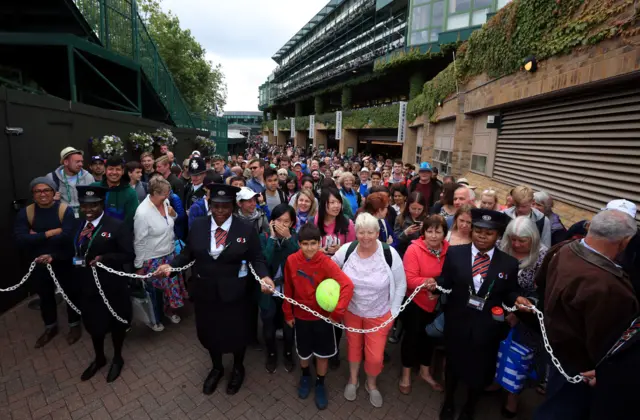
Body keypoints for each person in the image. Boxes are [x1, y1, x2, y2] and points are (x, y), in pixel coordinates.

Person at [154, 184, 275, 396]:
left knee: (237, 333)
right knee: (210, 332)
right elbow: (188, 255)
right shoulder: (199, 226)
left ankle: (238, 367)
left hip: (236, 294)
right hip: (206, 293)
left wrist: (264, 276)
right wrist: (171, 267)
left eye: (225, 206)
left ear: (233, 206)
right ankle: (217, 367)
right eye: (216, 205)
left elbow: (256, 257)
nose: (220, 210)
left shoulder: (245, 229)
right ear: (210, 205)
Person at [425, 208, 534, 420]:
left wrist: (517, 299)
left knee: (480, 369)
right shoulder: (456, 254)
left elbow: (509, 292)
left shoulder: (508, 263)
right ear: (472, 230)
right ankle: (448, 402)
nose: (482, 236)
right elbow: (446, 280)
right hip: (457, 321)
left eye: (489, 232)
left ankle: (470, 407)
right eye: (478, 230)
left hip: (487, 326)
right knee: (453, 364)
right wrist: (435, 285)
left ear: (498, 235)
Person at [534, 208, 638, 420]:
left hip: (557, 350)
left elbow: (541, 283)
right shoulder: (607, 286)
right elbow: (606, 341)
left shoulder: (562, 249)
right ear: (624, 242)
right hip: (581, 367)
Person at [332, 213, 407, 408]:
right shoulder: (346, 250)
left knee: (375, 356)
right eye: (361, 232)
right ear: (355, 233)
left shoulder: (389, 254)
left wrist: (393, 313)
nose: (366, 237)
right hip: (352, 312)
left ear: (377, 233)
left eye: (370, 232)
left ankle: (371, 384)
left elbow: (401, 284)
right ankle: (353, 379)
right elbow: (330, 271)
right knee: (353, 348)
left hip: (380, 315)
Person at [283, 223, 354, 410]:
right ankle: (306, 376)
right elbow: (288, 288)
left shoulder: (326, 262)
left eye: (313, 243)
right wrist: (288, 312)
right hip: (301, 318)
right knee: (304, 353)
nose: (309, 248)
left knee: (323, 355)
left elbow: (347, 285)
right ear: (299, 244)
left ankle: (320, 383)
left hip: (323, 319)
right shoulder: (291, 261)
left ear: (319, 242)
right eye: (305, 244)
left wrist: (337, 312)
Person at [72, 185, 134, 383]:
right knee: (93, 323)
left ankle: (117, 357)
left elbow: (128, 254)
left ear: (102, 204)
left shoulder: (116, 225)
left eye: (94, 205)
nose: (88, 209)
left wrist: (105, 258)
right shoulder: (78, 225)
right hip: (86, 285)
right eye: (84, 205)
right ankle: (99, 358)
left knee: (115, 323)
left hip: (110, 285)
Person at [14, 176, 79, 347]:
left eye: (46, 190)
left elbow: (67, 237)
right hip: (39, 263)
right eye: (38, 191)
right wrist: (51, 233)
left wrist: (36, 238)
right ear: (33, 194)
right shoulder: (26, 213)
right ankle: (50, 327)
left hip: (62, 260)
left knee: (71, 294)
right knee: (45, 297)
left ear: (53, 192)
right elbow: (21, 239)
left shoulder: (65, 211)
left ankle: (74, 325)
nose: (42, 194)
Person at [499, 216, 548, 418]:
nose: (516, 244)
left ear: (533, 239)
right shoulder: (502, 248)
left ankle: (512, 398)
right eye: (513, 239)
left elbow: (542, 292)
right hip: (500, 309)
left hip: (526, 318)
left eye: (522, 241)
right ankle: (497, 380)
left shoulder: (543, 257)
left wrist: (519, 314)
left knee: (519, 358)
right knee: (499, 351)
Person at [400, 215, 450, 394]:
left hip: (437, 304)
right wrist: (430, 283)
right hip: (415, 303)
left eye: (438, 231)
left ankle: (425, 371)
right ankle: (405, 374)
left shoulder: (449, 250)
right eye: (429, 231)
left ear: (445, 233)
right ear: (423, 232)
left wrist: (437, 286)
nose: (434, 236)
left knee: (430, 339)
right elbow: (410, 279)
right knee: (412, 338)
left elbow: (451, 277)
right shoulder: (414, 250)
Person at [134, 177, 188, 332]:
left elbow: (171, 222)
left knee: (170, 289)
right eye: (165, 193)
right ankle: (154, 319)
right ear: (154, 193)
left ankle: (168, 311)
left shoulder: (165, 202)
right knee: (156, 293)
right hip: (153, 258)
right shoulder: (142, 213)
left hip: (170, 254)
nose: (168, 196)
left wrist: (173, 214)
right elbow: (139, 241)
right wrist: (139, 265)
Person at [259, 204, 299, 374]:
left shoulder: (295, 237)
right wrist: (272, 239)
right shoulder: (264, 237)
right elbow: (264, 261)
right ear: (272, 222)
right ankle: (271, 353)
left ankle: (288, 354)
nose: (282, 225)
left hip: (288, 291)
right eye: (278, 221)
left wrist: (289, 238)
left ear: (292, 224)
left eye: (287, 222)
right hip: (269, 289)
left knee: (289, 327)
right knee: (268, 324)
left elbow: (299, 260)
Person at [47, 147, 95, 218]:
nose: (81, 164)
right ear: (66, 162)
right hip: (62, 216)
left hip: (84, 216)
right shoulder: (51, 178)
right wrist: (52, 200)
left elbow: (95, 199)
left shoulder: (88, 177)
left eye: (81, 161)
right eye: (77, 161)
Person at [91, 157, 139, 225]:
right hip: (95, 232)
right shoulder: (94, 187)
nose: (114, 172)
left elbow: (130, 220)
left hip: (119, 233)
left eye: (118, 169)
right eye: (110, 169)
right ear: (105, 170)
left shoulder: (130, 193)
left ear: (123, 171)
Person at [316, 187, 356, 256]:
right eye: (332, 202)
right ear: (323, 204)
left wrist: (340, 249)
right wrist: (317, 251)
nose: (337, 206)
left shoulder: (348, 224)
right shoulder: (313, 222)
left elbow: (352, 250)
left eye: (339, 202)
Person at [394, 192, 428, 257]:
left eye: (419, 209)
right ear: (408, 206)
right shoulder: (400, 218)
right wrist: (405, 233)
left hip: (422, 254)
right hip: (403, 253)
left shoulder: (427, 219)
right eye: (413, 208)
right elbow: (395, 240)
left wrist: (424, 230)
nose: (416, 212)